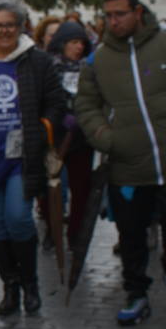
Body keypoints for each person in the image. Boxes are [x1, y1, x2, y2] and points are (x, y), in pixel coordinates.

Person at [74, 0, 166, 324]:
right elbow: (85, 105)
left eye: (120, 14)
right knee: (131, 235)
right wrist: (105, 136)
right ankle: (136, 292)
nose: (114, 21)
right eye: (108, 15)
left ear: (137, 12)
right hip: (127, 165)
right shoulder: (98, 59)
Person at [0, 0, 66, 317]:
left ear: (21, 26)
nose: (4, 30)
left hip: (23, 159)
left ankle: (31, 284)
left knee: (19, 219)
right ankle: (10, 287)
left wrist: (42, 129)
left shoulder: (38, 62)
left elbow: (56, 103)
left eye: (11, 24)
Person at [44, 20, 95, 250]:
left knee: (81, 188)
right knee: (50, 188)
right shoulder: (48, 67)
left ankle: (75, 234)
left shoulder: (89, 69)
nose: (79, 47)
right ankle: (51, 229)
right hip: (55, 137)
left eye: (82, 43)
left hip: (82, 138)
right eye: (74, 42)